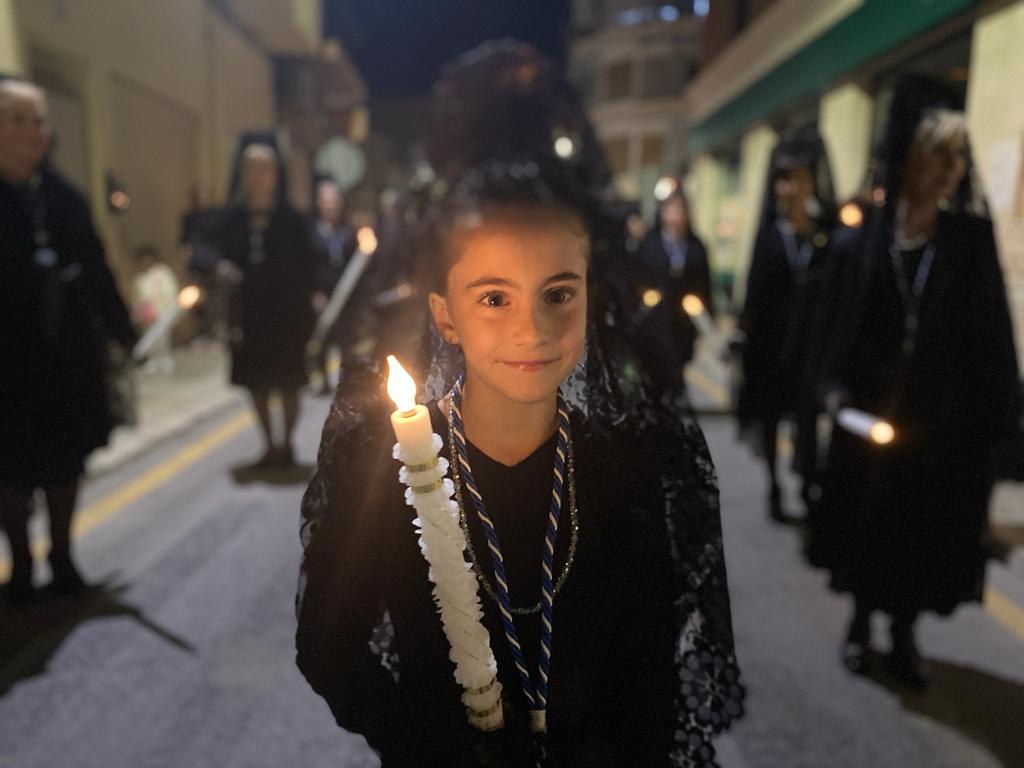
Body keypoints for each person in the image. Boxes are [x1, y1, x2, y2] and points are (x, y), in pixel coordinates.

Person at [295, 42, 743, 767]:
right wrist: (432, 746)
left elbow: (647, 666)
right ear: (446, 315)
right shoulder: (385, 470)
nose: (531, 331)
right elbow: (331, 644)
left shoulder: (624, 468)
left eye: (558, 294)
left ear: (592, 298)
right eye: (494, 298)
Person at [807, 76, 1022, 690]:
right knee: (865, 525)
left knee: (918, 534)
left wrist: (994, 422)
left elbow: (991, 338)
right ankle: (859, 624)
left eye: (959, 155)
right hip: (868, 423)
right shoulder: (863, 243)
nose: (952, 168)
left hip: (937, 429)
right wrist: (832, 392)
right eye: (939, 153)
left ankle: (904, 635)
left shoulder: (968, 243)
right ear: (909, 156)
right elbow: (833, 332)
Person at [0, 77, 137, 603]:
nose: (33, 131)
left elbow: (97, 271)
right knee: (9, 471)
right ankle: (19, 564)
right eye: (18, 120)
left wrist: (122, 331)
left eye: (39, 120)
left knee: (63, 462)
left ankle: (61, 555)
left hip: (64, 360)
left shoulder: (65, 200)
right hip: (7, 363)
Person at [735, 128, 837, 521]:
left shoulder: (825, 234)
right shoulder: (771, 236)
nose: (790, 188)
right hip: (772, 345)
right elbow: (756, 294)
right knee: (771, 416)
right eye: (783, 180)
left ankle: (809, 484)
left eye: (798, 178)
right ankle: (774, 486)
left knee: (808, 417)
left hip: (812, 344)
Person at [215, 134, 318, 468]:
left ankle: (286, 444)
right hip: (249, 317)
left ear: (275, 173)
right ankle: (268, 444)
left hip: (286, 316)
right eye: (250, 168)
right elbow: (208, 250)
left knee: (289, 383)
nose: (257, 175)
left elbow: (309, 267)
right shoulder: (232, 220)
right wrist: (221, 267)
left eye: (264, 168)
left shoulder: (293, 220)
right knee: (256, 383)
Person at [630, 187, 714, 397]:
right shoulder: (649, 243)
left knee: (676, 377)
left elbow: (704, 284)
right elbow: (636, 279)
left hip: (682, 323)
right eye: (670, 208)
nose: (675, 214)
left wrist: (703, 313)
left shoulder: (696, 246)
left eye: (680, 209)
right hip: (653, 323)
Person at [309, 176, 358, 394]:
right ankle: (323, 381)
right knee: (323, 341)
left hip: (346, 298)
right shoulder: (312, 233)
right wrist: (313, 293)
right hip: (323, 298)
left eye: (335, 201)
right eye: (327, 201)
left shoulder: (349, 231)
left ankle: (348, 381)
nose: (331, 206)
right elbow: (306, 266)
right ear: (319, 203)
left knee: (347, 341)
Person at [132, 243, 179, 373]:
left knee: (162, 337)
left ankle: (165, 359)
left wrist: (160, 308)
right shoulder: (140, 278)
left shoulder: (162, 272)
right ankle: (153, 359)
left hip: (162, 311)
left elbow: (170, 291)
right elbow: (137, 296)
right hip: (147, 314)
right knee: (149, 337)